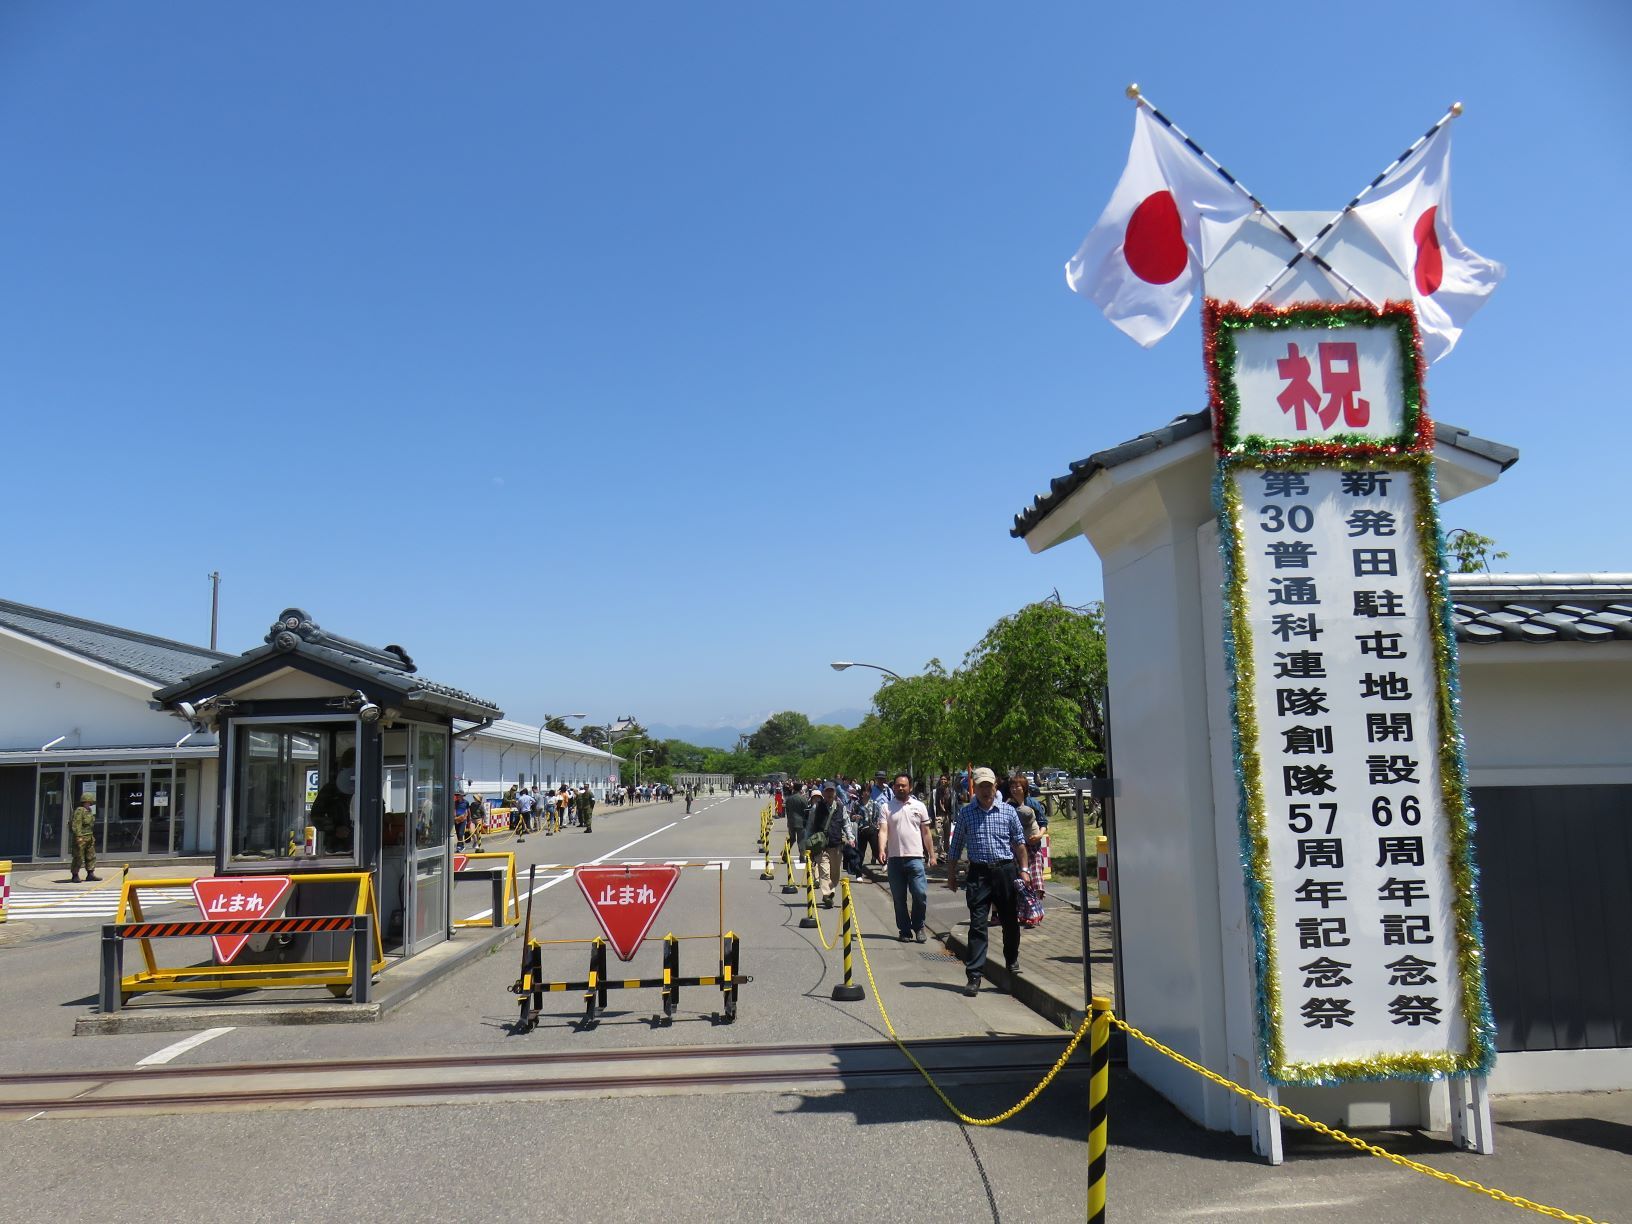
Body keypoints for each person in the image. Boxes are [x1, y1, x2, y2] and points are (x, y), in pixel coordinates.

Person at [946, 766, 1029, 996]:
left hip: (1005, 872)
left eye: (988, 786)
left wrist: (1024, 870)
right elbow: (955, 846)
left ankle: (1011, 959)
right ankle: (974, 976)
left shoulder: (1007, 812)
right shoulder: (966, 813)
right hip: (979, 874)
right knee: (978, 924)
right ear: (975, 787)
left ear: (995, 786)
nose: (985, 790)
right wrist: (951, 874)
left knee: (1010, 921)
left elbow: (1019, 844)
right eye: (981, 786)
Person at [878, 772, 936, 942]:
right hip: (895, 860)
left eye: (904, 785)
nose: (901, 788)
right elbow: (883, 830)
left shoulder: (919, 806)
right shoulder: (886, 807)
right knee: (898, 898)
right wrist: (882, 849)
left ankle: (919, 926)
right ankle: (904, 930)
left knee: (920, 894)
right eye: (897, 785)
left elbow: (926, 833)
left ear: (909, 787)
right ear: (894, 787)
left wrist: (932, 855)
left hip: (915, 858)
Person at [805, 781, 846, 908]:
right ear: (823, 793)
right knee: (824, 871)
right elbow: (810, 825)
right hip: (821, 845)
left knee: (835, 873)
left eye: (831, 791)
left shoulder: (840, 806)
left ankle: (830, 890)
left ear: (835, 793)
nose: (829, 793)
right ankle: (827, 895)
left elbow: (846, 823)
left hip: (836, 843)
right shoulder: (816, 807)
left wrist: (850, 837)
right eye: (827, 791)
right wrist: (807, 842)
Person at [309, 748, 356, 855]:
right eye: (353, 767)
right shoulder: (331, 789)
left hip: (363, 847)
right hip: (337, 849)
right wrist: (335, 829)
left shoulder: (366, 789)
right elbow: (316, 816)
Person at [69, 792, 99, 882]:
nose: (89, 803)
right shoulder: (80, 810)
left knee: (91, 856)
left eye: (90, 802)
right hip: (81, 838)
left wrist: (91, 837)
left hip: (89, 837)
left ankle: (90, 874)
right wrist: (78, 836)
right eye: (88, 801)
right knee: (79, 857)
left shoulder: (89, 811)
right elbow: (77, 824)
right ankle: (75, 875)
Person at [783, 782, 809, 855]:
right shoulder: (802, 799)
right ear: (800, 789)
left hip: (791, 821)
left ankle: (785, 853)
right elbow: (806, 810)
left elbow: (787, 811)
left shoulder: (789, 799)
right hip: (801, 822)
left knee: (792, 838)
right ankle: (802, 856)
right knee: (801, 840)